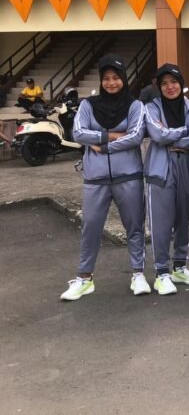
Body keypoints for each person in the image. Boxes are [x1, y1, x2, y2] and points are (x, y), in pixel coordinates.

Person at [60, 55, 148, 300]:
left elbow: (136, 136)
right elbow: (78, 133)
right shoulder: (88, 105)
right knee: (90, 227)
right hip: (95, 178)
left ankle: (138, 273)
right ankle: (84, 278)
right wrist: (112, 135)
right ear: (101, 81)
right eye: (106, 78)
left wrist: (102, 144)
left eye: (116, 77)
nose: (111, 83)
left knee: (135, 226)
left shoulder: (135, 105)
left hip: (129, 176)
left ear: (124, 79)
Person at [143, 64, 189, 295]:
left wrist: (173, 137)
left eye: (174, 82)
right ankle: (161, 273)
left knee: (183, 218)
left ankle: (179, 267)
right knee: (161, 223)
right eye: (164, 83)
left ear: (181, 83)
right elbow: (158, 135)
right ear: (159, 87)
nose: (170, 87)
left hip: (187, 167)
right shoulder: (151, 107)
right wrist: (185, 131)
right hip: (160, 169)